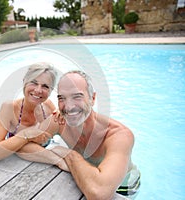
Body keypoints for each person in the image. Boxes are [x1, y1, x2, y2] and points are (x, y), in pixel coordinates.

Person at [48, 70, 141, 199]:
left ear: (92, 98)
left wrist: (68, 155)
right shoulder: (60, 120)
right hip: (87, 176)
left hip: (123, 187)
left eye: (77, 97)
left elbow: (99, 194)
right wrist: (53, 157)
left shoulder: (119, 135)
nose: (68, 107)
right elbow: (25, 141)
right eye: (62, 98)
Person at [0, 62, 68, 171]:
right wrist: (27, 134)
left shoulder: (47, 105)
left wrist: (60, 111)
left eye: (45, 86)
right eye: (33, 83)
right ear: (24, 81)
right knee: (21, 145)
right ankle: (58, 161)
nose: (38, 90)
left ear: (50, 90)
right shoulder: (9, 108)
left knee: (63, 119)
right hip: (26, 149)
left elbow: (61, 124)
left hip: (44, 147)